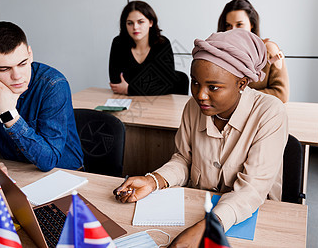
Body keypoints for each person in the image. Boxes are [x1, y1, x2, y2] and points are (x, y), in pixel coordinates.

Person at [113, 29, 288, 246]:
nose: (200, 95)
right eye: (195, 82)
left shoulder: (270, 113)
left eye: (213, 87)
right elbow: (183, 160)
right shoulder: (193, 107)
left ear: (242, 84)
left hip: (250, 216)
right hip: (199, 207)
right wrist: (153, 180)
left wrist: (210, 225)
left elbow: (252, 189)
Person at [0, 21, 83, 183]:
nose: (17, 76)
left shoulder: (53, 84)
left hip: (65, 174)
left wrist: (9, 115)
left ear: (30, 54)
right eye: (4, 69)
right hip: (18, 174)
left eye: (23, 63)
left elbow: (48, 161)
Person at [217, 0, 289, 102]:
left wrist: (240, 94)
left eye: (239, 25)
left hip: (261, 115)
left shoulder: (270, 51)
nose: (233, 31)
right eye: (228, 25)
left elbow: (281, 94)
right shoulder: (219, 53)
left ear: (252, 24)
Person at [109, 0, 178, 96]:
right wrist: (148, 86)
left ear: (150, 22)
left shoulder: (162, 44)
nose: (135, 27)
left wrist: (129, 89)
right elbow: (116, 83)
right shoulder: (118, 44)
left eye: (140, 22)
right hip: (127, 103)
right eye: (130, 23)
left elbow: (167, 85)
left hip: (159, 103)